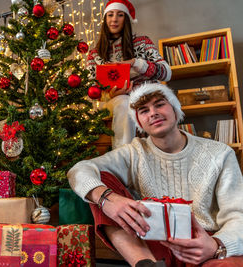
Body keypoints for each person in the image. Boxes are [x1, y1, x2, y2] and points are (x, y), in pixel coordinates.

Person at [68, 83, 243, 266]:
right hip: (153, 245)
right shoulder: (134, 152)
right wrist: (106, 199)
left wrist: (217, 245)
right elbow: (79, 170)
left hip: (202, 244)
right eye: (144, 110)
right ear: (139, 122)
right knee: (100, 179)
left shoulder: (220, 154)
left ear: (175, 110)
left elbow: (238, 215)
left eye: (159, 104)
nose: (153, 113)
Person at [87, 0, 171, 149]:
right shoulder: (95, 53)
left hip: (145, 98)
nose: (114, 19)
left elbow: (166, 73)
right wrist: (110, 95)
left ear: (126, 19)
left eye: (120, 15)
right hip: (115, 102)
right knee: (124, 102)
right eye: (110, 15)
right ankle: (122, 157)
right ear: (105, 19)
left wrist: (135, 63)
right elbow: (91, 90)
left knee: (154, 102)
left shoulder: (142, 43)